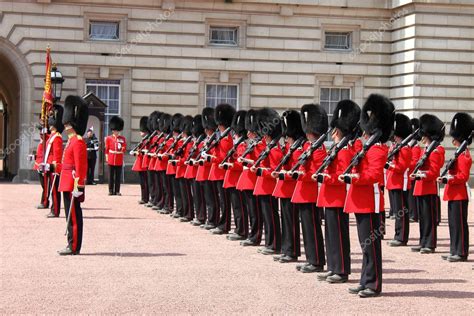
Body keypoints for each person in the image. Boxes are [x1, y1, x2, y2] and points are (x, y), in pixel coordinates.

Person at [343, 94, 394, 298]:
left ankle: (374, 284)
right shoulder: (364, 148)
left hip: (370, 201)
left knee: (371, 245)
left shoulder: (379, 150)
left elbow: (373, 175)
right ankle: (365, 280)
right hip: (359, 200)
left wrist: (353, 178)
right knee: (364, 244)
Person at [316, 100, 360, 283]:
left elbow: (341, 175)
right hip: (329, 197)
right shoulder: (336, 148)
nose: (333, 133)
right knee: (330, 234)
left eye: (335, 130)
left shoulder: (345, 151)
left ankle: (341, 270)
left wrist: (325, 178)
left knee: (339, 236)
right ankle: (333, 266)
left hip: (338, 197)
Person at [292, 103, 327, 273]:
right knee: (306, 229)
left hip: (310, 192)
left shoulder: (319, 149)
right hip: (302, 192)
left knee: (312, 228)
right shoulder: (307, 147)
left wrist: (300, 173)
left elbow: (314, 172)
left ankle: (317, 261)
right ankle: (310, 259)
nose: (307, 133)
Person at [438, 112, 473, 262]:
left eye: (455, 139)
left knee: (459, 224)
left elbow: (463, 177)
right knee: (453, 224)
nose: (453, 142)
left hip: (459, 194)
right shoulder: (458, 154)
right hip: (453, 193)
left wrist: (447, 180)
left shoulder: (465, 156)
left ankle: (461, 252)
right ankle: (454, 249)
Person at [272, 110, 305, 263]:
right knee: (285, 221)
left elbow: (296, 171)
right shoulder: (288, 147)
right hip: (284, 189)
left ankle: (292, 251)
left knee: (291, 222)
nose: (286, 138)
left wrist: (283, 174)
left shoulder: (298, 149)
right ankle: (286, 249)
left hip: (291, 189)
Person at [57, 95, 88, 256]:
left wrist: (79, 186)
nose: (66, 125)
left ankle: (74, 246)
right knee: (69, 214)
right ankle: (71, 242)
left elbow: (80, 166)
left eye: (67, 123)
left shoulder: (78, 141)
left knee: (74, 216)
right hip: (66, 181)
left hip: (73, 184)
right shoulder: (71, 141)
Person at [411, 114, 445, 254]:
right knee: (423, 218)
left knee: (429, 218)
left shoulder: (436, 150)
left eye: (424, 134)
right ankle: (423, 241)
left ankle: (430, 243)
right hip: (420, 187)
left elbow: (434, 171)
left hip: (429, 187)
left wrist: (420, 175)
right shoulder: (425, 149)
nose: (422, 137)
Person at [251, 108, 283, 255]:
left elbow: (274, 171)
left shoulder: (275, 149)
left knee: (271, 216)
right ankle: (269, 243)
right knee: (267, 216)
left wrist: (260, 171)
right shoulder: (267, 146)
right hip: (263, 185)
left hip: (269, 185)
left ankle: (274, 244)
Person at [237, 110, 265, 247]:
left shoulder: (260, 145)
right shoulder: (248, 143)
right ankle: (251, 235)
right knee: (250, 211)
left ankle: (256, 236)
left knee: (255, 212)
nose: (248, 134)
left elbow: (260, 162)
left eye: (251, 131)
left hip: (254, 179)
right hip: (247, 179)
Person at [220, 110, 249, 240]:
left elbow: (241, 163)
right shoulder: (237, 144)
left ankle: (241, 230)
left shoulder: (242, 145)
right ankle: (239, 229)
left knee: (239, 207)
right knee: (236, 206)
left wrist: (231, 164)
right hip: (232, 178)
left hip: (237, 178)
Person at [208, 103, 235, 235]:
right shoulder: (222, 137)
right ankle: (221, 223)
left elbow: (223, 157)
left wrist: (210, 157)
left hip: (222, 173)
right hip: (218, 173)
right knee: (221, 200)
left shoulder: (226, 139)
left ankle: (224, 225)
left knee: (224, 201)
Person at [386, 113, 413, 246]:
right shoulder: (396, 146)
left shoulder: (405, 148)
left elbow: (401, 167)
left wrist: (389, 165)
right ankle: (398, 234)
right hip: (393, 182)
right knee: (397, 212)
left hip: (400, 183)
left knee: (401, 211)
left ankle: (401, 237)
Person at [43, 104, 65, 218]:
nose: (50, 125)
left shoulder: (57, 137)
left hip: (53, 166)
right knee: (51, 189)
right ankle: (52, 207)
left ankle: (55, 210)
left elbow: (57, 155)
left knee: (55, 190)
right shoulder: (52, 136)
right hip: (48, 165)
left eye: (51, 123)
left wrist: (56, 168)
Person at [105, 116, 126, 196]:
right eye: (114, 130)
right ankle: (110, 190)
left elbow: (124, 147)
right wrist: (107, 157)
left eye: (117, 130)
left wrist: (122, 148)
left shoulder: (122, 138)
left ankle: (117, 191)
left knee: (117, 176)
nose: (115, 132)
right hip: (111, 158)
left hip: (119, 159)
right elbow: (107, 149)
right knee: (110, 176)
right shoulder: (108, 138)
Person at [131, 116, 151, 204]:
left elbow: (148, 151)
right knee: (142, 183)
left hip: (145, 163)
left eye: (142, 131)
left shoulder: (149, 140)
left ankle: (146, 198)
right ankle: (144, 197)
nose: (140, 132)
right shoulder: (143, 140)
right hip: (140, 163)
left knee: (146, 182)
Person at [34, 123, 50, 209]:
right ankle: (44, 201)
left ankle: (44, 202)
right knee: (44, 186)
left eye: (41, 130)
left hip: (43, 166)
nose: (40, 132)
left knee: (45, 186)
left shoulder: (46, 139)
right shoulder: (42, 139)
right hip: (39, 165)